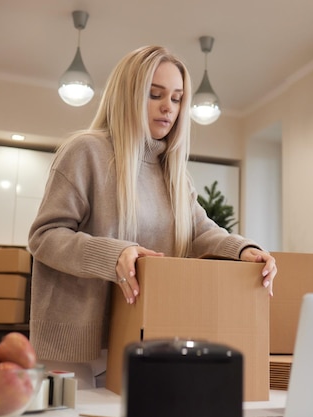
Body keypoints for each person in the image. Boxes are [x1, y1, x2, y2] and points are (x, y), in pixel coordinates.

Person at [27, 45, 277, 388]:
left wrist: (243, 250)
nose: (168, 108)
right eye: (155, 94)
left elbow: (199, 230)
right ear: (127, 95)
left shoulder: (174, 172)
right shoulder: (86, 151)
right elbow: (45, 236)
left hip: (140, 337)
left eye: (176, 98)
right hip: (72, 346)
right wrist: (115, 254)